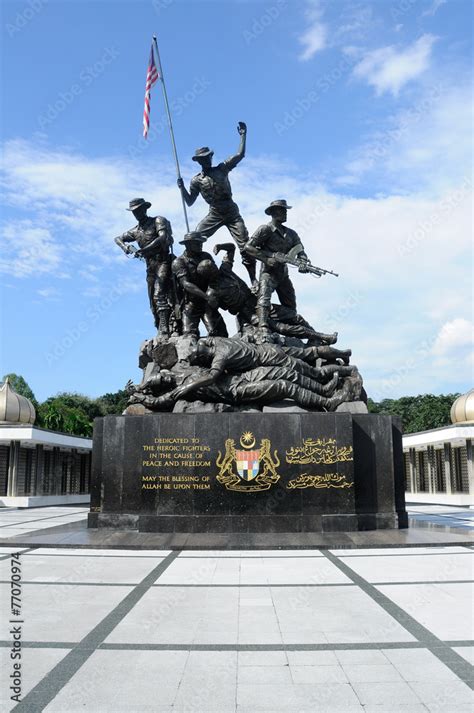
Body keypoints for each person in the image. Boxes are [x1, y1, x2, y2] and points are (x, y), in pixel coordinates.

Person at [177, 122, 257, 289]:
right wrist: (182, 188)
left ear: (211, 157)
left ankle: (253, 280)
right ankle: (192, 271)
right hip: (214, 213)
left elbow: (240, 155)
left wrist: (243, 135)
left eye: (208, 157)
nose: (206, 160)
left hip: (231, 211)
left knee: (246, 246)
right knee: (194, 236)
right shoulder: (196, 180)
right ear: (198, 161)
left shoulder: (222, 168)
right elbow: (190, 201)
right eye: (203, 158)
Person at [129, 363, 361, 412]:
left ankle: (325, 389)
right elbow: (159, 402)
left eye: (163, 377)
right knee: (283, 386)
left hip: (240, 377)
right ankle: (327, 402)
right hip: (236, 392)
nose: (165, 378)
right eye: (161, 382)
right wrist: (141, 396)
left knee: (284, 372)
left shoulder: (182, 371)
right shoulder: (180, 389)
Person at [245, 199, 310, 340]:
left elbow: (301, 251)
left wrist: (303, 262)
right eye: (282, 210)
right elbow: (248, 247)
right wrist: (267, 258)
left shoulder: (292, 234)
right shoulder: (265, 229)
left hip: (283, 275)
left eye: (286, 210)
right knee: (264, 299)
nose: (285, 213)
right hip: (268, 273)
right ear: (274, 213)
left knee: (291, 306)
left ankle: (289, 330)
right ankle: (263, 327)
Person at [115, 198, 173, 338]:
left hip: (163, 261)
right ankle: (159, 326)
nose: (137, 213)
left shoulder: (157, 221)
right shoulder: (135, 231)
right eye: (134, 212)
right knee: (152, 302)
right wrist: (125, 247)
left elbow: (163, 237)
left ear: (145, 209)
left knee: (159, 294)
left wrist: (145, 249)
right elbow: (117, 238)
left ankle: (165, 329)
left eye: (139, 210)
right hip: (150, 266)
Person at [171, 232, 227, 339]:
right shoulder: (179, 262)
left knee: (219, 334)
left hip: (208, 303)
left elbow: (214, 276)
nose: (200, 245)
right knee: (188, 336)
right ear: (188, 245)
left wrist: (212, 294)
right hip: (192, 304)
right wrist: (206, 297)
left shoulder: (206, 256)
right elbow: (186, 284)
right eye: (197, 243)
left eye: (201, 243)